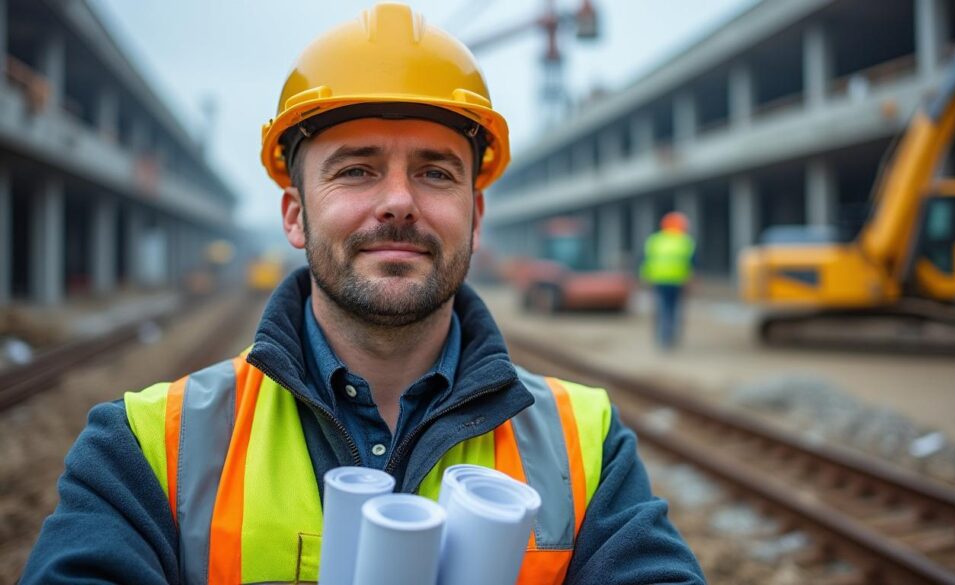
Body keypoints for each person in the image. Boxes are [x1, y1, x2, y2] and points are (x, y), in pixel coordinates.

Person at [22, 4, 705, 584]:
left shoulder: (586, 446)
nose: (399, 202)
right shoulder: (146, 449)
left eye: (436, 173)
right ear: (294, 215)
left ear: (476, 213)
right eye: (357, 170)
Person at [640, 212, 696, 349]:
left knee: (661, 308)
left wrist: (644, 277)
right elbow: (692, 263)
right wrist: (691, 280)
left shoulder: (655, 240)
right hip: (677, 281)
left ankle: (663, 336)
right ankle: (671, 336)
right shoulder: (685, 241)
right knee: (674, 309)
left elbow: (646, 260)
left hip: (658, 280)